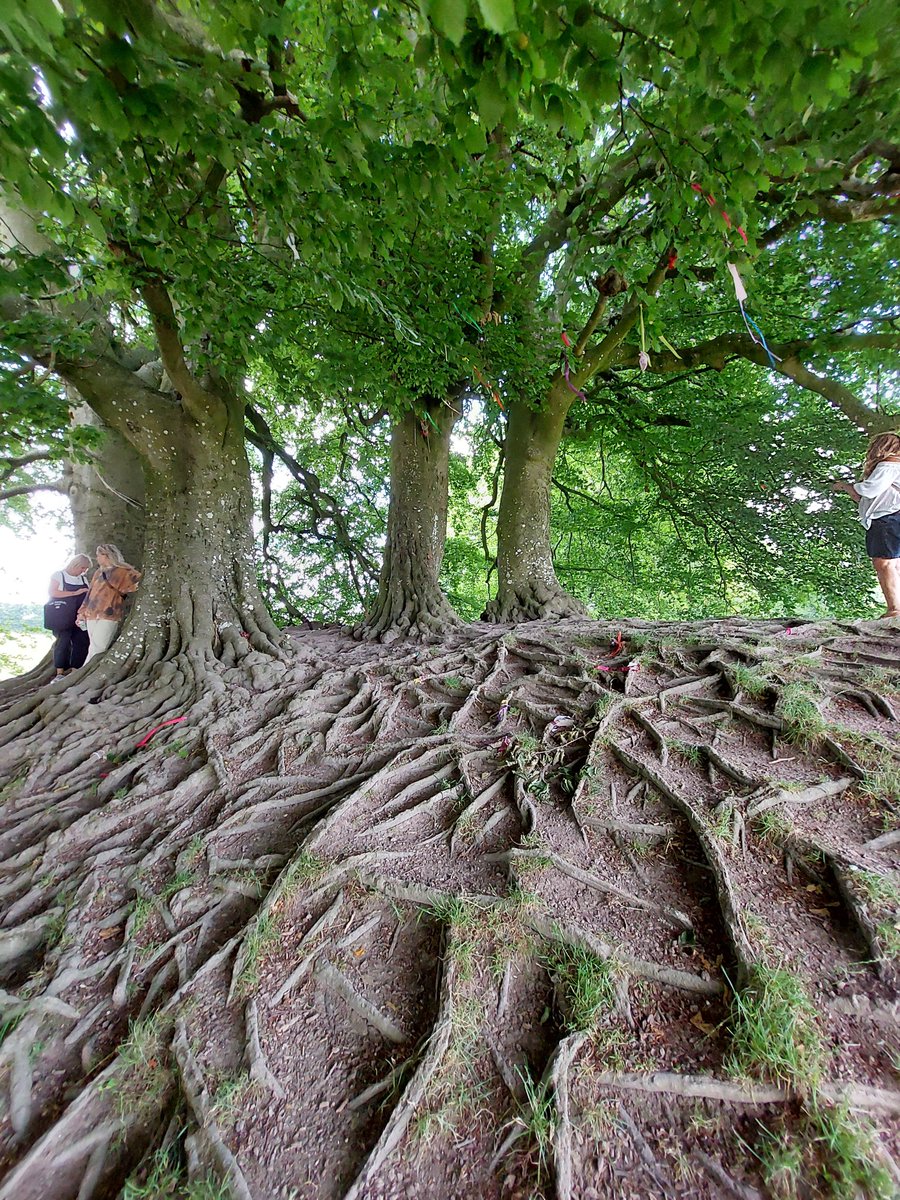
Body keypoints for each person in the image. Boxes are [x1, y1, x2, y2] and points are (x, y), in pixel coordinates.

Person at [832, 432, 900, 618]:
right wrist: (848, 488)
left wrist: (849, 486)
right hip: (891, 517)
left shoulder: (889, 464)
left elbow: (870, 490)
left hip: (888, 518)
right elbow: (866, 498)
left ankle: (895, 610)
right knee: (893, 563)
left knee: (884, 562)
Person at [77, 543, 142, 663]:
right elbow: (90, 594)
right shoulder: (98, 573)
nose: (97, 558)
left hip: (109, 613)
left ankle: (86, 672)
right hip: (92, 613)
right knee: (93, 646)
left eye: (99, 555)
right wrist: (81, 612)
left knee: (99, 647)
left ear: (106, 555)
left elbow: (140, 582)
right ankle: (86, 673)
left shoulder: (123, 571)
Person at [46, 555, 91, 676]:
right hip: (62, 617)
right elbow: (53, 592)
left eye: (85, 569)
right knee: (63, 642)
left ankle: (75, 670)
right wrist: (75, 593)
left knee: (81, 641)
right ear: (75, 564)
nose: (84, 571)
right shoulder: (59, 575)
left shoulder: (83, 580)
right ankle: (60, 673)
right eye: (82, 567)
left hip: (78, 617)